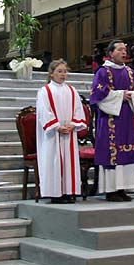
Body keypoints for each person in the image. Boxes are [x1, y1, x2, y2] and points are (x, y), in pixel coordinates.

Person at [88, 41, 134, 202]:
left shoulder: (130, 72)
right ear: (111, 53)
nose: (123, 52)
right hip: (109, 119)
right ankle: (111, 190)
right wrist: (121, 95)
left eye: (125, 50)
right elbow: (97, 94)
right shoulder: (103, 71)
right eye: (120, 50)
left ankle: (122, 189)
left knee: (125, 152)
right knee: (111, 153)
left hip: (126, 118)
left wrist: (133, 95)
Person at [36, 60, 87, 204]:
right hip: (53, 135)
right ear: (51, 74)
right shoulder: (45, 91)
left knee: (69, 163)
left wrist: (73, 124)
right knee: (54, 162)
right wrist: (57, 126)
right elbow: (44, 111)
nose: (63, 74)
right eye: (59, 71)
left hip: (69, 133)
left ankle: (68, 192)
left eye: (65, 71)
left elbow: (78, 109)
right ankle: (55, 194)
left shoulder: (72, 90)